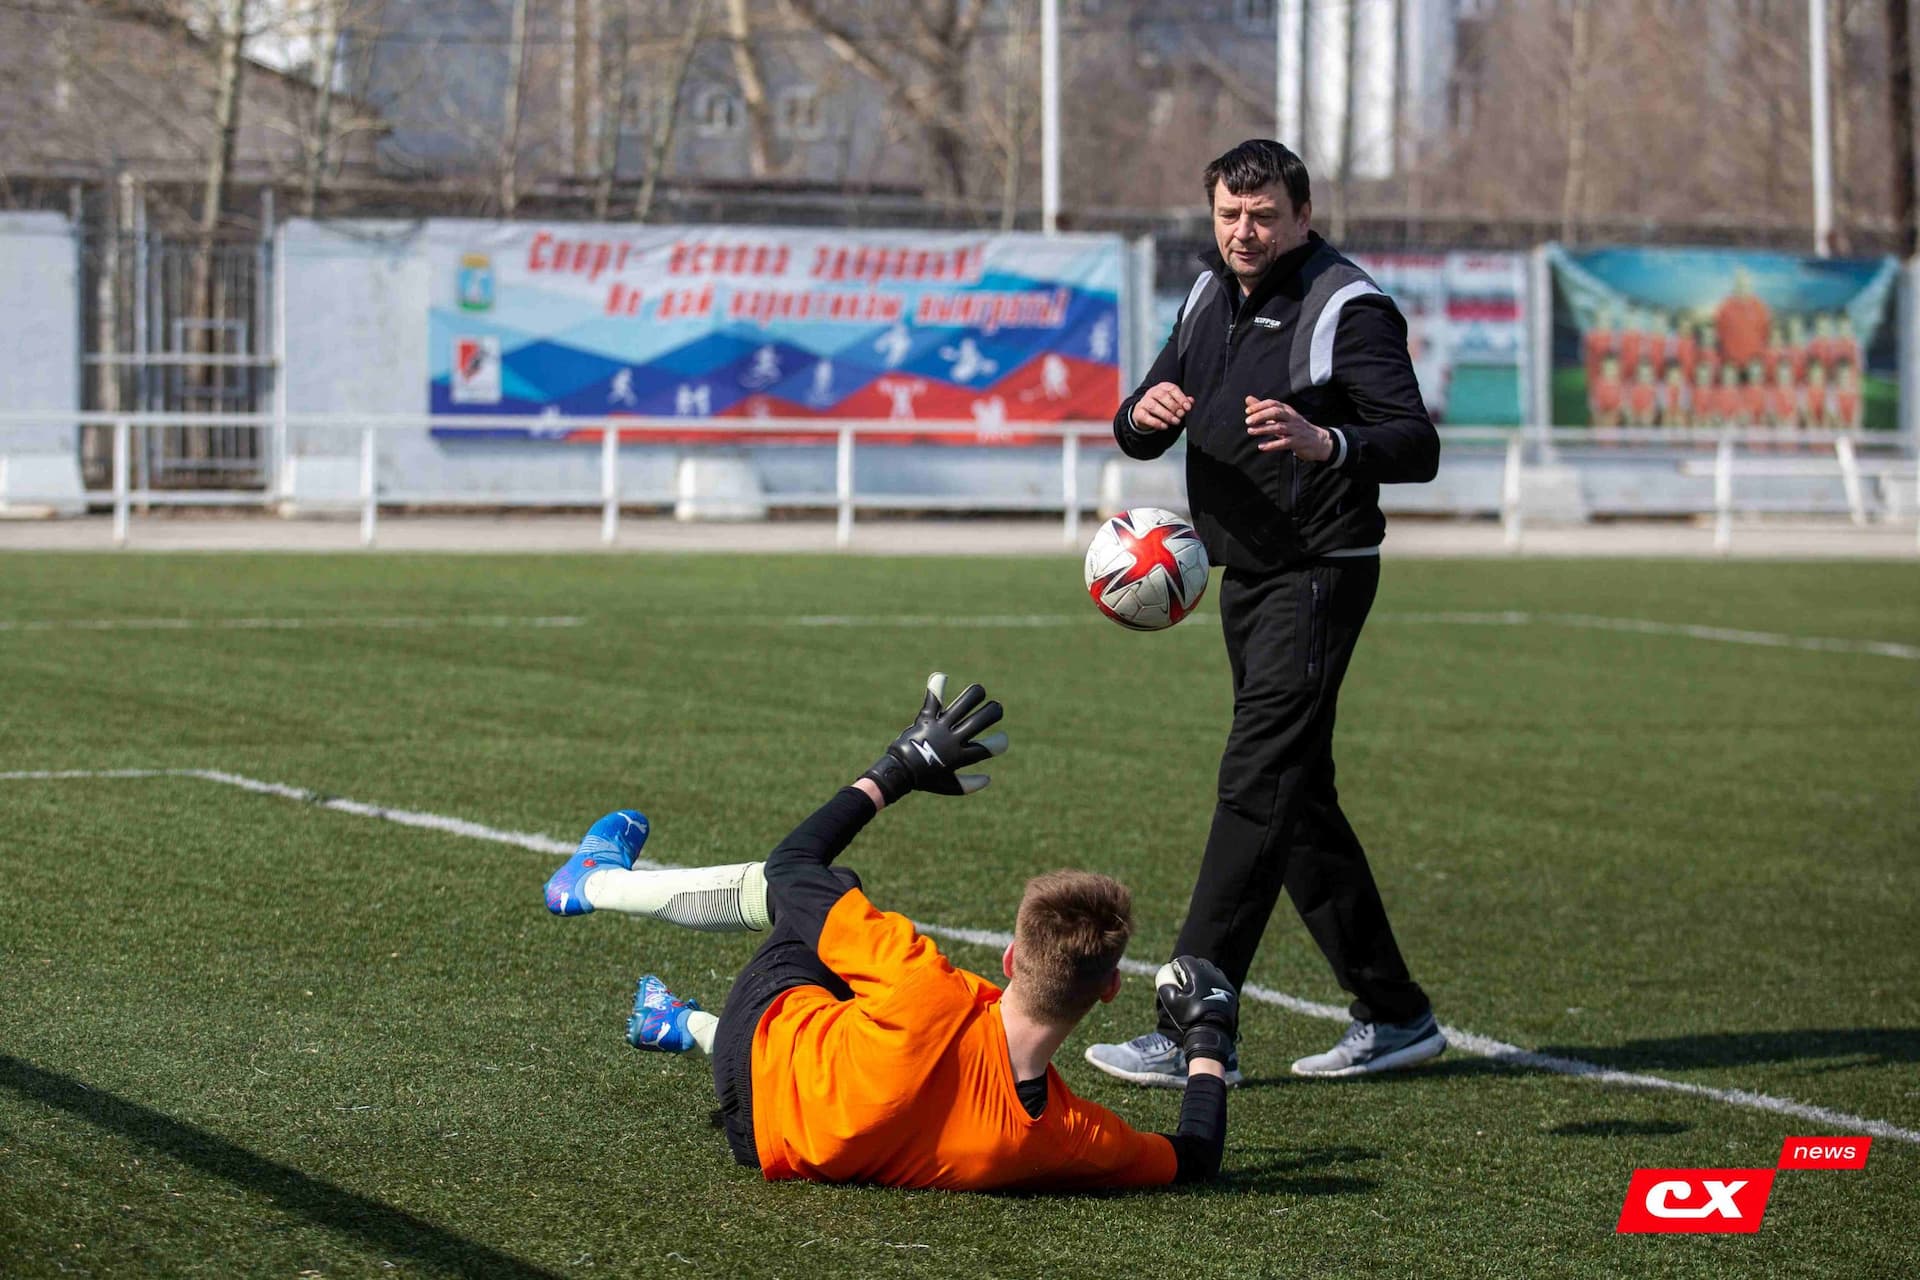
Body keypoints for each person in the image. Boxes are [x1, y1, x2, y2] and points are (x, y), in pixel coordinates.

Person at [543, 673, 1239, 1191]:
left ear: (1009, 956)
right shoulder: (1059, 1136)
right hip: (759, 1143)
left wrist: (897, 770)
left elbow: (792, 865)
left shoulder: (920, 985)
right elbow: (1194, 1158)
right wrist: (1205, 1040)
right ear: (1110, 988)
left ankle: (593, 883)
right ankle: (682, 1022)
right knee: (861, 1012)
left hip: (757, 1046)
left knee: (829, 897)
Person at [1091, 139, 1444, 1088]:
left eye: (1263, 217)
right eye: (1228, 216)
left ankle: (1190, 1022)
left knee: (1254, 780)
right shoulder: (1210, 292)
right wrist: (1142, 415)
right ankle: (1397, 1013)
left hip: (1319, 572)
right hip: (1242, 575)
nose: (1244, 233)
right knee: (1295, 801)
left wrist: (1323, 439)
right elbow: (1143, 412)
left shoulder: (1346, 304)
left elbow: (1414, 443)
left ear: (1300, 216)